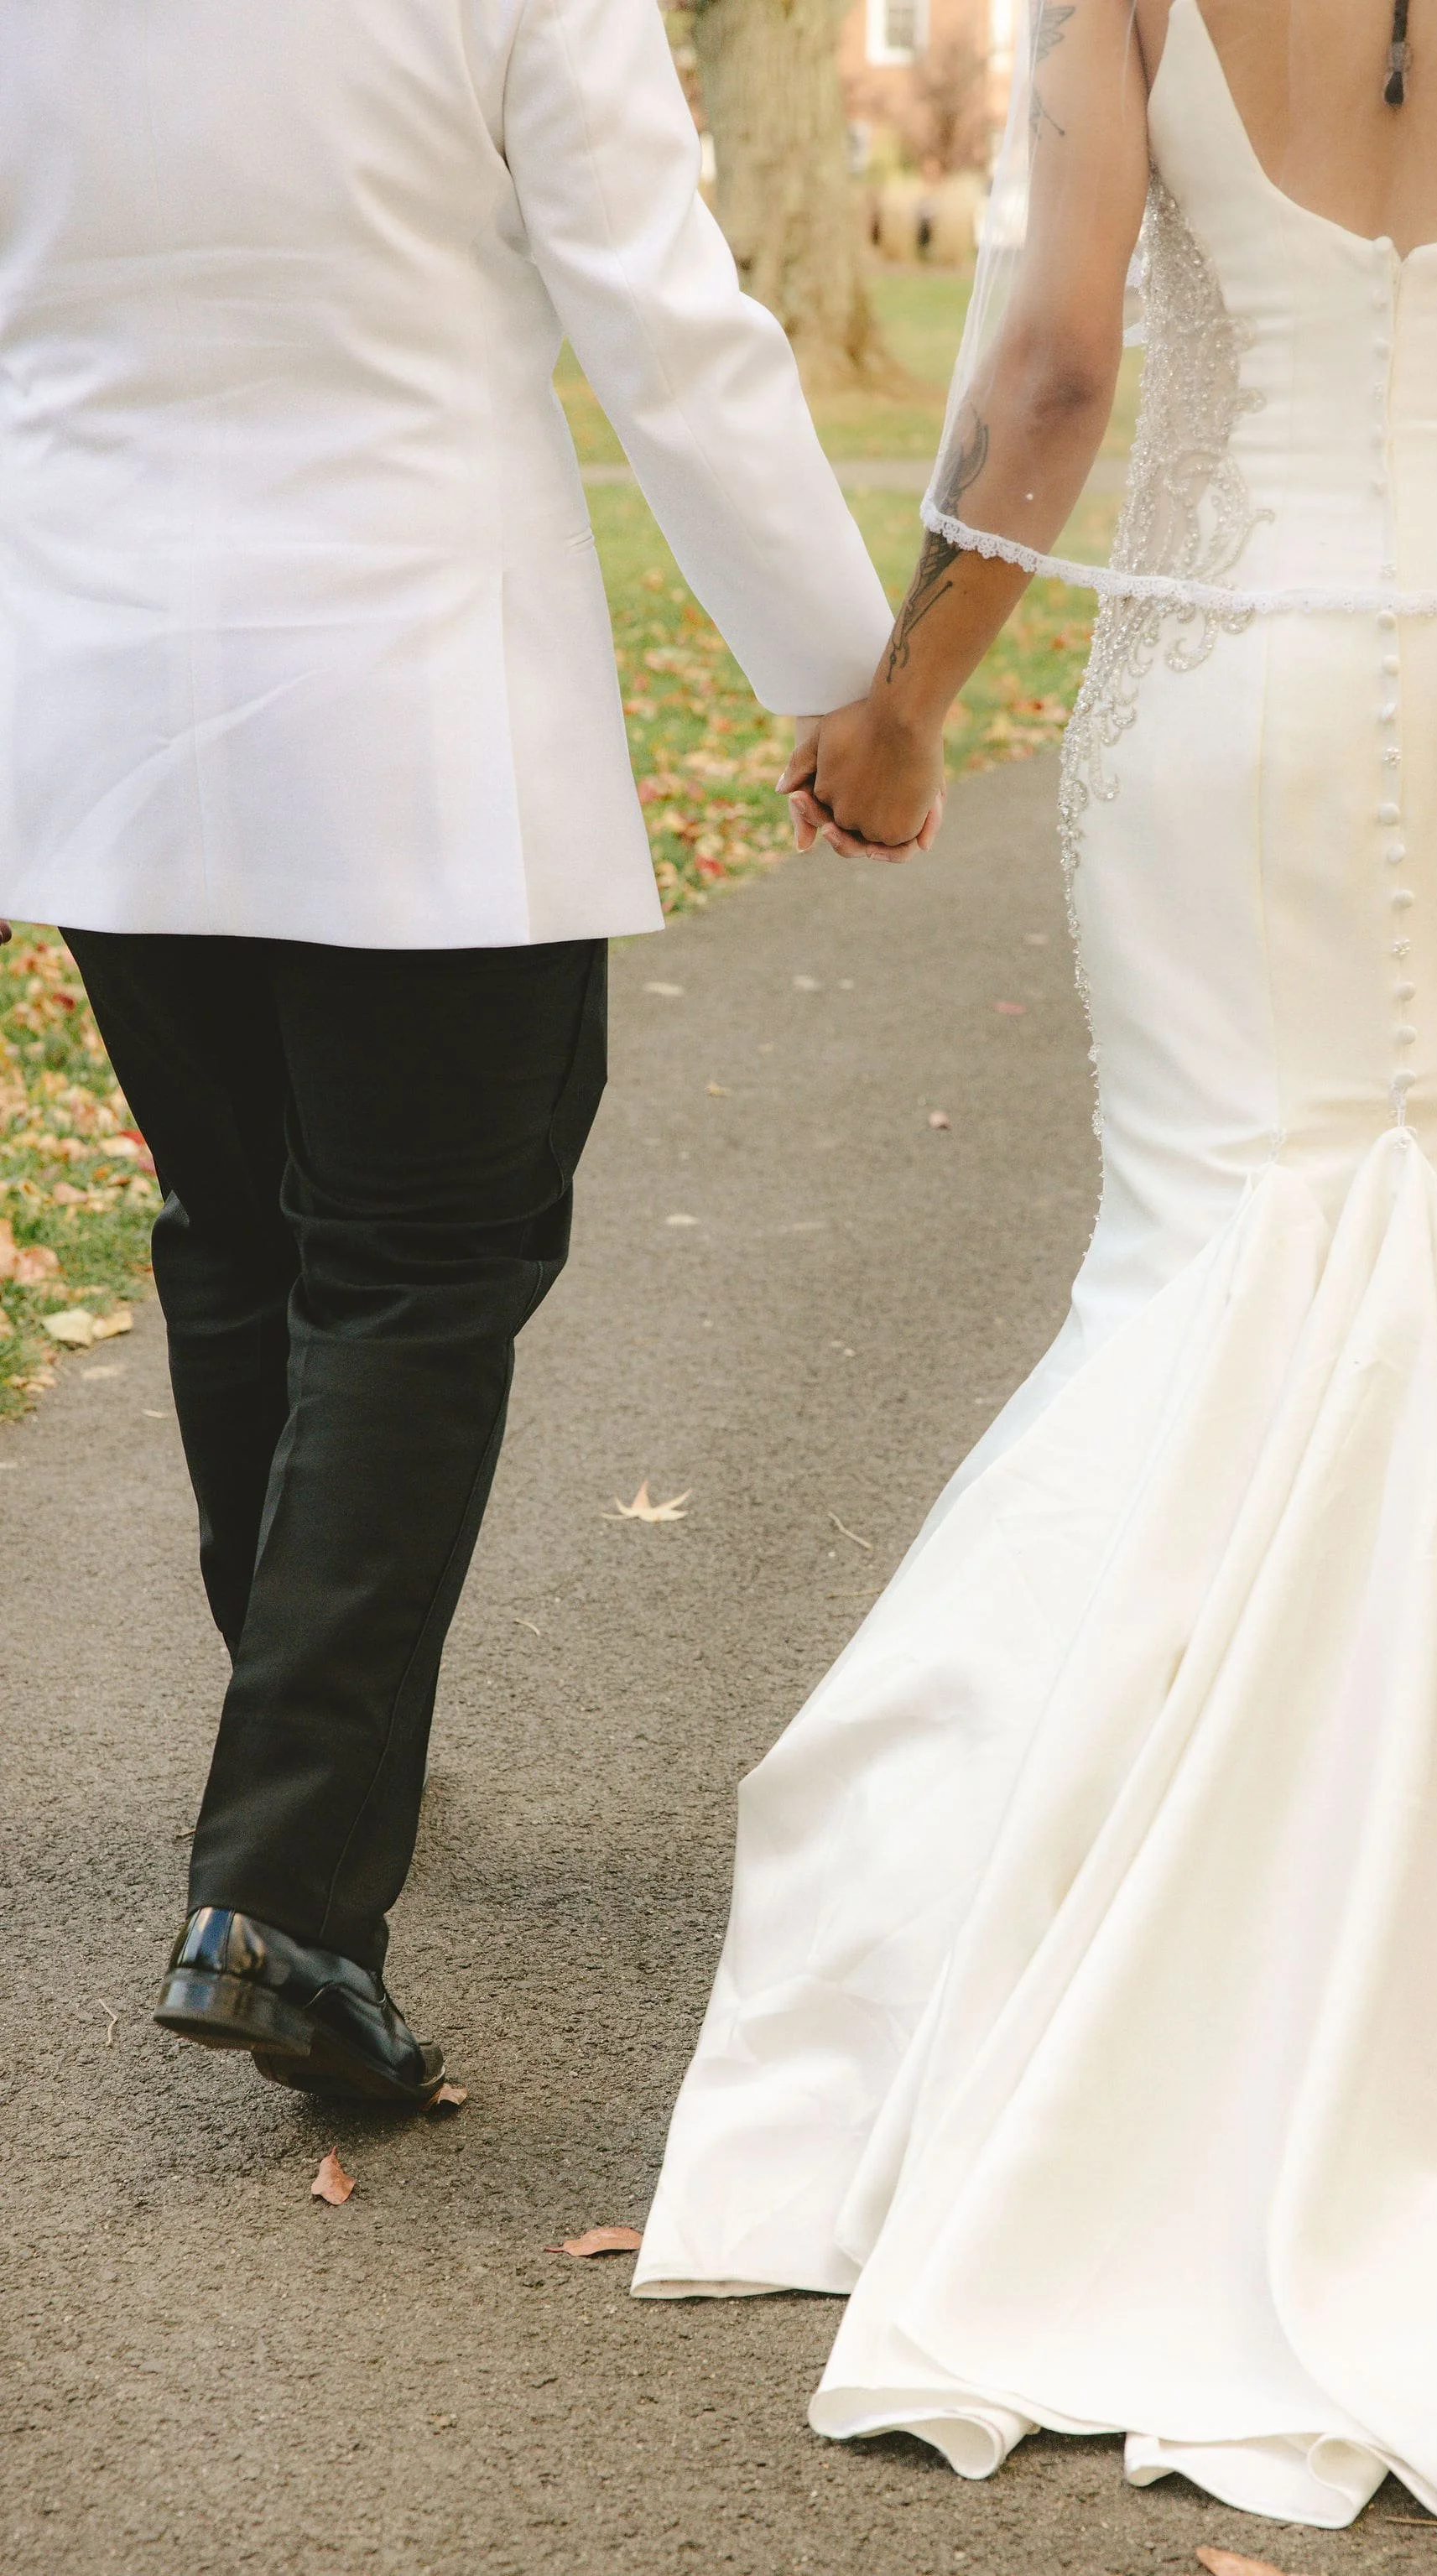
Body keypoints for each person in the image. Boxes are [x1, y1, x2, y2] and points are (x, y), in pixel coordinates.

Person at [635, 0, 1437, 2534]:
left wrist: (906, 699)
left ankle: (1119, 2021)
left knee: (1208, 1264)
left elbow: (1050, 369)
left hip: (1232, 673)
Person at [0, 0, 896, 2105]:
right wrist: (849, 675)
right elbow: (664, 319)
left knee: (242, 1235)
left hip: (110, 688)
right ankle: (291, 1894)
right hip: (410, 688)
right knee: (418, 1265)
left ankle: (300, 1731)